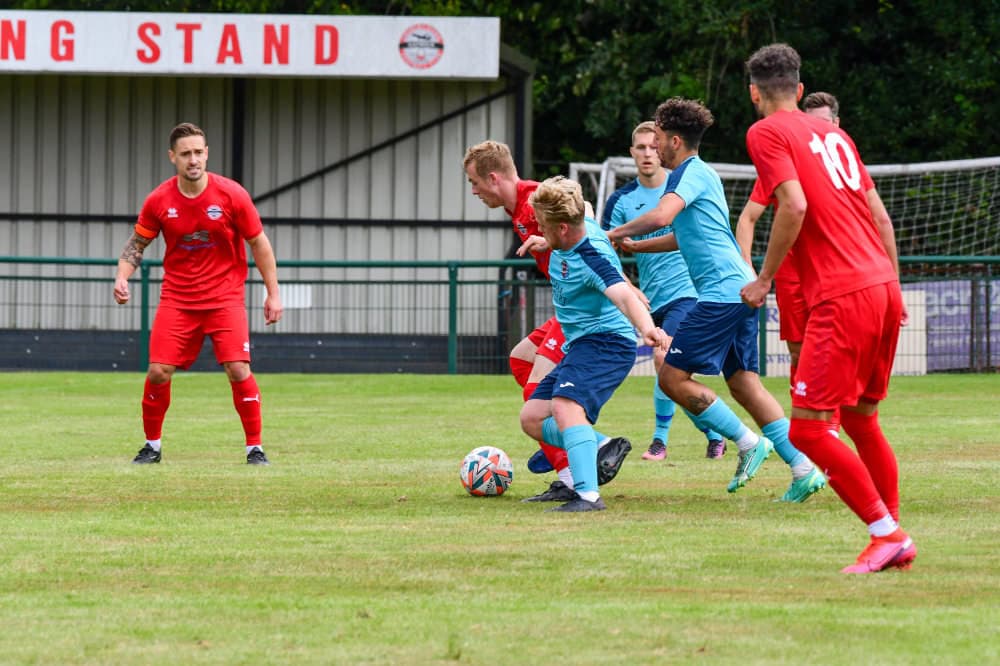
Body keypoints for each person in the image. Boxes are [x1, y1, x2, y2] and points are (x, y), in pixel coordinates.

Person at [740, 43, 914, 573]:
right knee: (862, 419)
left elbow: (793, 205)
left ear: (755, 94)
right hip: (882, 284)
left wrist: (763, 278)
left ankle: (886, 533)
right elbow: (880, 217)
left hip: (842, 293)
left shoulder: (765, 132)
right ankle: (891, 529)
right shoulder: (836, 135)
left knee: (808, 430)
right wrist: (894, 286)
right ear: (798, 89)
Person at [605, 97, 826, 503]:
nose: (654, 148)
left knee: (671, 378)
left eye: (658, 140)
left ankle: (747, 442)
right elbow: (682, 235)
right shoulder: (700, 174)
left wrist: (614, 234)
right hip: (739, 289)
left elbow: (662, 216)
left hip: (721, 294)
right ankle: (803, 469)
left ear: (674, 141)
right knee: (744, 384)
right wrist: (639, 246)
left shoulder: (688, 173)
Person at [463, 141, 632, 501]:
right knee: (520, 359)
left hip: (585, 316)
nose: (474, 191)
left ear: (493, 178)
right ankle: (577, 444)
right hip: (568, 310)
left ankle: (577, 466)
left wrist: (620, 283)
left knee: (536, 394)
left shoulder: (533, 199)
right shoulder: (515, 207)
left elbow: (584, 214)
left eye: (474, 182)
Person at [735, 92, 909, 432]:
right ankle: (820, 427)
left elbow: (881, 220)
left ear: (836, 125)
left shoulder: (842, 162)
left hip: (844, 278)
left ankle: (824, 429)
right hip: (798, 275)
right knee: (801, 354)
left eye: (823, 123)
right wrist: (751, 270)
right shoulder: (784, 162)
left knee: (841, 391)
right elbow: (748, 218)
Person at [114, 122, 283, 465]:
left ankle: (255, 449)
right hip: (178, 299)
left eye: (198, 152)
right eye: (185, 154)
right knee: (158, 371)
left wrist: (273, 293)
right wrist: (122, 277)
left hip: (225, 298)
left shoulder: (232, 195)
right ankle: (152, 447)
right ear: (172, 157)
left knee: (238, 369)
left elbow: (258, 243)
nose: (192, 160)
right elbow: (137, 244)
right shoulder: (159, 200)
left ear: (206, 154)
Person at [519, 175, 668, 512]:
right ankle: (594, 446)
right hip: (583, 343)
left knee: (565, 407)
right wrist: (546, 239)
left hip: (606, 343)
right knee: (532, 417)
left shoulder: (590, 256)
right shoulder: (577, 221)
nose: (538, 229)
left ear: (562, 229)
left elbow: (623, 295)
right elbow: (582, 204)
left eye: (543, 225)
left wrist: (648, 328)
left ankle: (588, 496)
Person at [602, 121, 726, 461]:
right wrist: (629, 288)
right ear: (631, 152)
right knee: (670, 373)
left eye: (652, 146)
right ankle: (716, 434)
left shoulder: (680, 187)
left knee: (663, 359)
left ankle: (659, 442)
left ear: (662, 148)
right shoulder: (620, 200)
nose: (647, 153)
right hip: (649, 300)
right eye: (640, 147)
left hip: (687, 294)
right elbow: (604, 255)